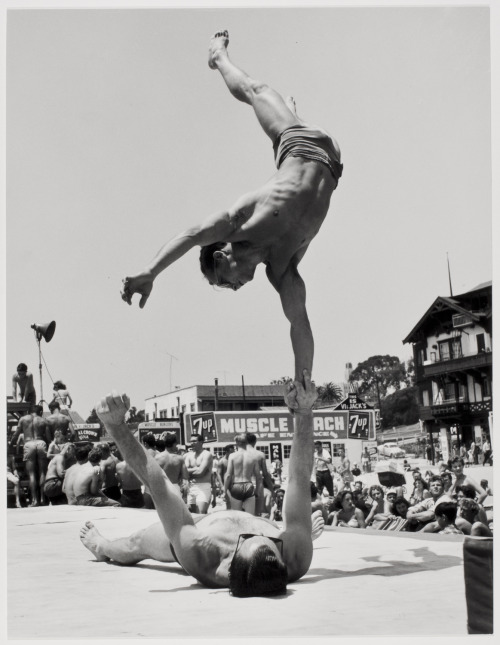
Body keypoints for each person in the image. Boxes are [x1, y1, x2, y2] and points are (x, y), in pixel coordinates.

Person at [121, 31, 343, 382]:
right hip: (332, 159)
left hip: (296, 142)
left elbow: (192, 234)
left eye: (224, 282)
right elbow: (299, 321)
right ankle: (292, 111)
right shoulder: (281, 269)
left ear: (222, 256)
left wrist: (150, 272)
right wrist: (304, 382)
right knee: (281, 118)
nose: (234, 288)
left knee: (255, 90)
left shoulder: (236, 225)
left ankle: (218, 58)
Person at [80, 370, 323, 596]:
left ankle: (102, 547)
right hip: (251, 523)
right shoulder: (295, 555)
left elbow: (159, 485)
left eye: (249, 539)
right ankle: (301, 530)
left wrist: (116, 427)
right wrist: (304, 412)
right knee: (298, 533)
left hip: (199, 527)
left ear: (230, 561)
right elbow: (299, 479)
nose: (263, 537)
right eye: (272, 542)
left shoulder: (201, 553)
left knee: (138, 543)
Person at [10, 405, 51, 506]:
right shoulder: (43, 420)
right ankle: (42, 498)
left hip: (29, 443)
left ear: (29, 411)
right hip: (41, 442)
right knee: (42, 472)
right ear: (40, 412)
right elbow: (49, 438)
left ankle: (34, 500)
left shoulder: (23, 419)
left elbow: (16, 433)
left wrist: (11, 444)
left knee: (31, 474)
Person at [224, 434, 262, 514]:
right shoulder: (253, 456)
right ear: (247, 442)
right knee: (250, 516)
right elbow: (258, 476)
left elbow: (228, 475)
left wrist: (224, 491)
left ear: (236, 443)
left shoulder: (232, 456)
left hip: (237, 486)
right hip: (249, 485)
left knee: (237, 516)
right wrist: (257, 491)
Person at [245, 432, 275, 516]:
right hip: (256, 485)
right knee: (256, 513)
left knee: (244, 513)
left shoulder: (237, 455)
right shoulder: (260, 455)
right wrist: (271, 489)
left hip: (242, 485)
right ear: (255, 442)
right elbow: (265, 475)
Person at [184, 433, 213, 514]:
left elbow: (201, 472)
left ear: (201, 442)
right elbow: (184, 471)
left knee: (201, 513)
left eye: (194, 441)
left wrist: (189, 472)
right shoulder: (188, 456)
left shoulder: (206, 454)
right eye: (190, 441)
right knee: (192, 514)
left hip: (203, 487)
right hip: (191, 487)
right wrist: (196, 469)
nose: (191, 443)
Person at [155, 432, 189, 500]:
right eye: (176, 444)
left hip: (161, 487)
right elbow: (185, 477)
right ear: (173, 444)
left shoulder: (157, 457)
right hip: (174, 487)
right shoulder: (179, 458)